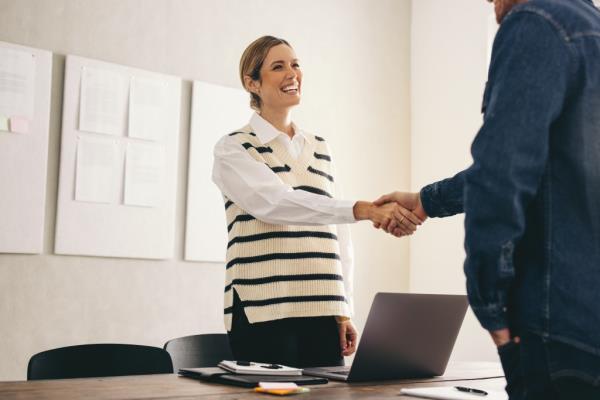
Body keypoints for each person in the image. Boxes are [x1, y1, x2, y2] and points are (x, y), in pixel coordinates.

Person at [376, 0, 600, 399]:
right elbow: (545, 168)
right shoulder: (590, 29)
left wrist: (491, 308)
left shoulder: (535, 23)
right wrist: (426, 200)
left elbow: (501, 175)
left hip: (557, 325)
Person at [212, 36, 422, 368]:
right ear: (251, 82)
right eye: (278, 66)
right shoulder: (233, 148)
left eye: (295, 64)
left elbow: (337, 233)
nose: (292, 73)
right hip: (265, 309)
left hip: (323, 308)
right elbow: (276, 203)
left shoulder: (320, 147)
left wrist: (343, 308)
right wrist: (362, 209)